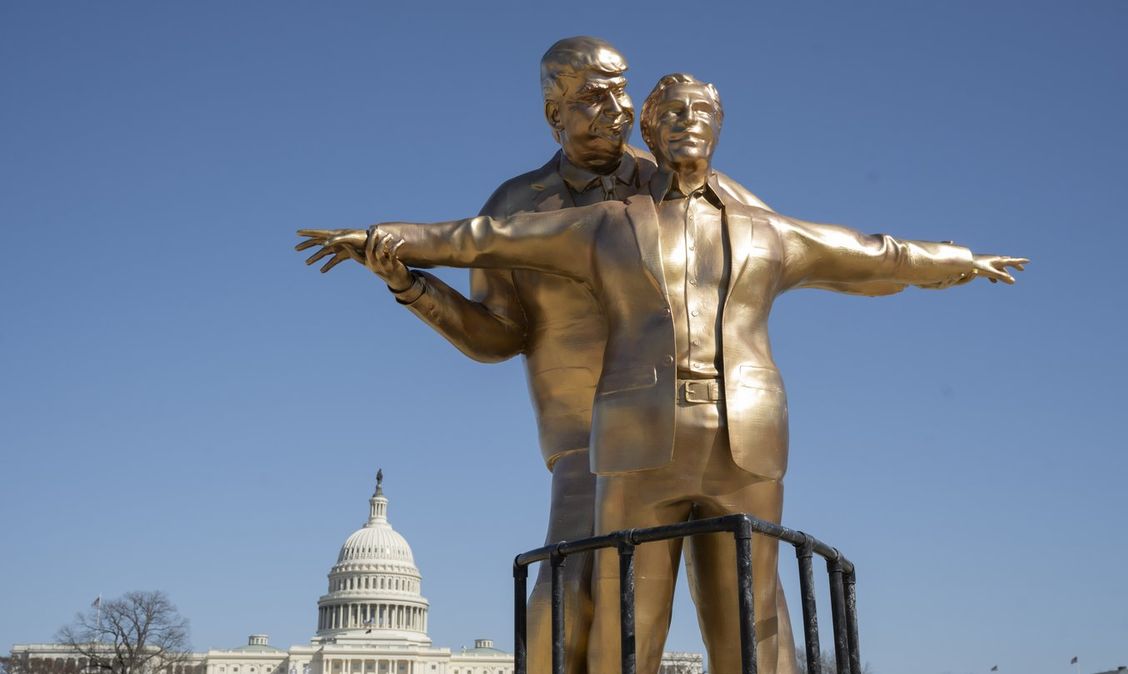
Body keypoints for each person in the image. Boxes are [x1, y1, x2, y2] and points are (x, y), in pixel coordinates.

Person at [297, 73, 1026, 674]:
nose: (688, 122)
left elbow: (876, 255)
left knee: (754, 624)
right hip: (637, 443)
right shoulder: (607, 225)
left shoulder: (770, 231)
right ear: (648, 130)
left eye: (702, 110)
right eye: (671, 112)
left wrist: (959, 260)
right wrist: (381, 240)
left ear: (720, 126)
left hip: (747, 440)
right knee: (627, 631)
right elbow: (484, 238)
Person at [318, 38, 798, 674]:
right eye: (595, 97)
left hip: (706, 429)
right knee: (566, 615)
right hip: (583, 445)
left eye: (622, 90)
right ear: (555, 115)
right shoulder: (516, 206)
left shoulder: (686, 183)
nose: (618, 109)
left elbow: (778, 243)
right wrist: (412, 285)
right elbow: (496, 336)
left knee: (749, 611)